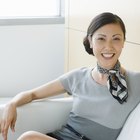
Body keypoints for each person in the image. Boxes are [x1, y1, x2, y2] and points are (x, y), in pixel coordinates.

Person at [0, 12, 140, 140]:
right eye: (101, 39)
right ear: (91, 41)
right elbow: (33, 94)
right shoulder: (78, 77)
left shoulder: (135, 80)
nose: (108, 46)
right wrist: (11, 104)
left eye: (116, 39)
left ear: (123, 43)